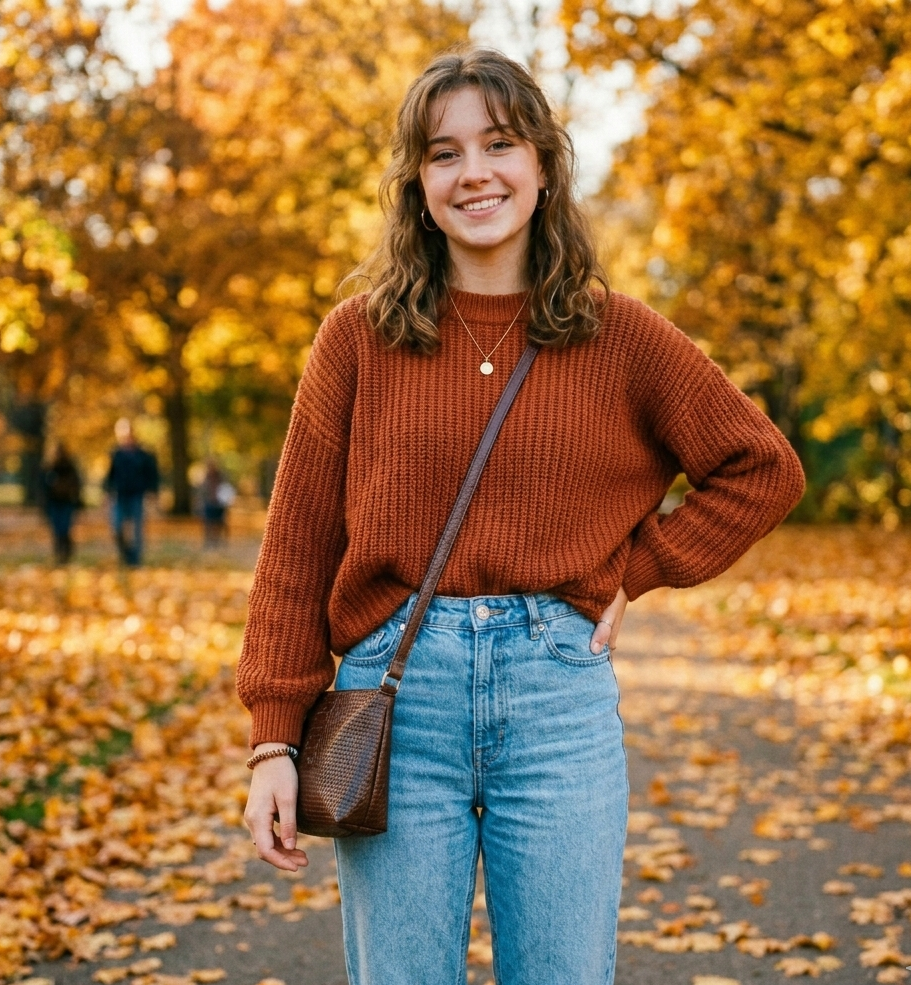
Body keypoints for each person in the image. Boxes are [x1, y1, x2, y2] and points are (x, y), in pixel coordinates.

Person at [237, 48, 805, 985]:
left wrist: (639, 569)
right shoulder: (356, 340)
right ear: (418, 185)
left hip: (556, 701)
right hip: (395, 699)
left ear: (542, 165)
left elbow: (762, 467)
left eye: (498, 144)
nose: (474, 173)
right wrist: (273, 740)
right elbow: (296, 551)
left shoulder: (620, 335)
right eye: (444, 153)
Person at [103, 418, 159, 566]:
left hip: (137, 495)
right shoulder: (116, 454)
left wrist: (152, 492)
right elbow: (110, 475)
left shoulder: (143, 455)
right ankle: (125, 554)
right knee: (117, 526)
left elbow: (151, 475)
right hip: (120, 495)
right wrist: (107, 492)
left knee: (137, 529)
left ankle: (136, 560)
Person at [41, 442, 82, 564]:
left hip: (66, 502)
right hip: (54, 502)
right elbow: (43, 488)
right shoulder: (49, 468)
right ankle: (59, 552)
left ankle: (65, 552)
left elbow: (76, 484)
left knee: (64, 527)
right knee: (57, 528)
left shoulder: (69, 467)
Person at [200, 459, 235, 546]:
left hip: (219, 504)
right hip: (210, 503)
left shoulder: (221, 477)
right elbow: (203, 492)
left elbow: (226, 490)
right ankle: (209, 541)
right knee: (208, 523)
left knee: (220, 523)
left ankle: (219, 540)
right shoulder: (206, 478)